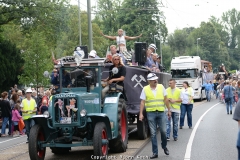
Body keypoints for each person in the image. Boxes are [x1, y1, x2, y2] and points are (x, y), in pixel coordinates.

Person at [139, 73, 171, 158]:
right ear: (149, 81)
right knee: (153, 134)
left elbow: (166, 99)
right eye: (153, 80)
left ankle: (164, 146)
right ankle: (155, 152)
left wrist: (169, 110)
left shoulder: (161, 87)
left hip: (161, 112)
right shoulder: (145, 89)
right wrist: (141, 113)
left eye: (156, 79)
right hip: (151, 113)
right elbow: (142, 102)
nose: (155, 80)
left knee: (163, 131)